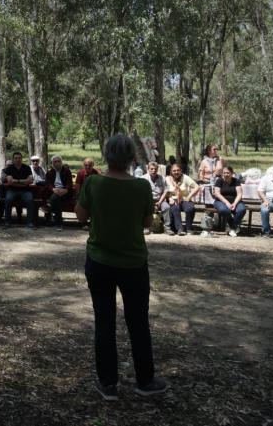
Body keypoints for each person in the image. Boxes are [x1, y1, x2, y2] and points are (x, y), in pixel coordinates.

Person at [75, 134, 167, 401]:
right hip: (133, 263)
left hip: (99, 262)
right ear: (131, 158)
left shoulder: (93, 182)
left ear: (106, 156)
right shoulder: (140, 187)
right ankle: (145, 380)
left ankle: (108, 384)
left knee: (104, 322)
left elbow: (80, 215)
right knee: (138, 322)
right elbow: (148, 223)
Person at [2, 151, 36, 228]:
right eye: (16, 158)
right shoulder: (9, 168)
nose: (18, 159)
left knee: (30, 200)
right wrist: (23, 182)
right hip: (12, 190)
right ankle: (7, 222)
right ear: (13, 159)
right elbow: (10, 181)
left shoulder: (27, 168)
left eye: (19, 158)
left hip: (25, 190)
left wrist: (17, 181)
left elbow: (30, 181)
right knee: (8, 200)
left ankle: (29, 222)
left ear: (22, 159)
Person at [167, 164, 201, 236]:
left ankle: (189, 228)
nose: (176, 172)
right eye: (174, 171)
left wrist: (189, 196)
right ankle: (180, 229)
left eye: (178, 170)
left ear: (181, 171)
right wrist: (169, 198)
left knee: (190, 208)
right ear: (171, 171)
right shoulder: (167, 179)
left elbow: (197, 187)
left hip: (185, 199)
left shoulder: (185, 177)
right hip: (173, 200)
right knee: (175, 208)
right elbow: (164, 191)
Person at [211, 166, 246, 237]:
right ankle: (233, 226)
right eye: (224, 173)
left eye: (228, 173)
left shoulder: (236, 181)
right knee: (224, 210)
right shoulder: (219, 181)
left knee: (242, 209)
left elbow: (239, 194)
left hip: (235, 201)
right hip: (220, 201)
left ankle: (232, 227)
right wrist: (227, 203)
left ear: (232, 173)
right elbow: (217, 193)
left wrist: (235, 203)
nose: (226, 174)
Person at [45, 155, 74, 231]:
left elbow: (69, 183)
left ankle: (56, 219)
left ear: (61, 162)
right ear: (52, 163)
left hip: (66, 192)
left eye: (59, 161)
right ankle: (59, 222)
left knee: (54, 199)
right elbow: (48, 183)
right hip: (55, 191)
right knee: (55, 198)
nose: (57, 163)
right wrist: (53, 189)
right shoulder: (50, 172)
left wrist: (65, 190)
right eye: (55, 162)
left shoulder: (67, 171)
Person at [141, 162, 171, 235]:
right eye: (151, 169)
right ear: (148, 169)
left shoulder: (162, 178)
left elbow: (165, 191)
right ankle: (146, 227)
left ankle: (167, 228)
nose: (153, 171)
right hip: (147, 200)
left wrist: (160, 202)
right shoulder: (143, 179)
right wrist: (151, 203)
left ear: (157, 170)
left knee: (166, 207)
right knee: (144, 207)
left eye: (155, 169)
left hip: (159, 200)